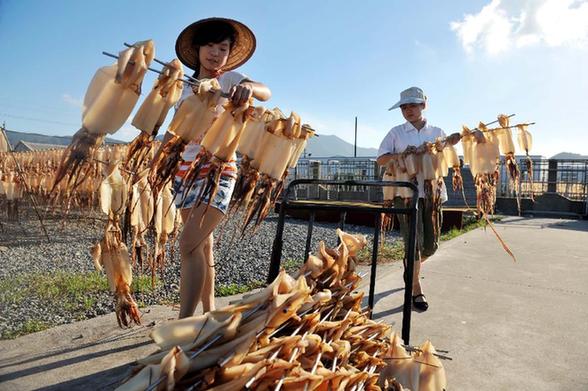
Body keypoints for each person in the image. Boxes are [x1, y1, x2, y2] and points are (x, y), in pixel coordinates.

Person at [167, 18, 271, 318]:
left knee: (188, 246)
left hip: (218, 171)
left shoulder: (228, 80)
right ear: (198, 49)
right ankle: (210, 312)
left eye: (222, 48)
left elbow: (265, 91)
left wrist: (247, 88)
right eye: (210, 46)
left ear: (228, 54)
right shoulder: (184, 86)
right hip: (184, 173)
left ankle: (184, 323)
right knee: (202, 247)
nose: (215, 53)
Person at [376, 87, 482, 311]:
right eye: (404, 107)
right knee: (412, 244)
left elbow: (444, 151)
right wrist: (402, 155)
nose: (408, 110)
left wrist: (451, 141)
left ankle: (410, 269)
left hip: (432, 194)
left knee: (431, 246)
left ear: (424, 106)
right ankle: (416, 289)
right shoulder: (396, 133)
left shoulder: (436, 131)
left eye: (412, 105)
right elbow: (381, 159)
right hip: (405, 195)